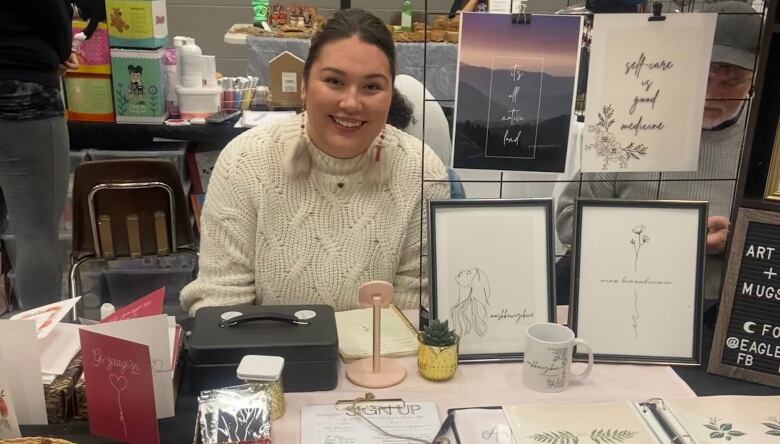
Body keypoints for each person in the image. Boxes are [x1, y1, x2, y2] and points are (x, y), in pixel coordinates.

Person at [181, 9, 450, 315]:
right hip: (268, 356)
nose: (350, 103)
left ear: (390, 95)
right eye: (334, 81)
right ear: (305, 85)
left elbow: (415, 310)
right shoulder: (245, 161)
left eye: (372, 86)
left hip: (380, 358)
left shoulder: (420, 171)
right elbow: (220, 302)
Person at [555, 1, 760, 309]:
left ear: (755, 79)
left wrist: (741, 240)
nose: (711, 91)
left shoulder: (764, 145)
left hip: (713, 314)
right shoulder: (633, 119)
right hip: (614, 294)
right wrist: (676, 237)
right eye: (703, 72)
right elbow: (568, 222)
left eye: (731, 79)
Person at [0, 1, 78, 309]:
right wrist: (59, 51)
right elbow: (50, 12)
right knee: (36, 235)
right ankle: (41, 348)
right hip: (21, 87)